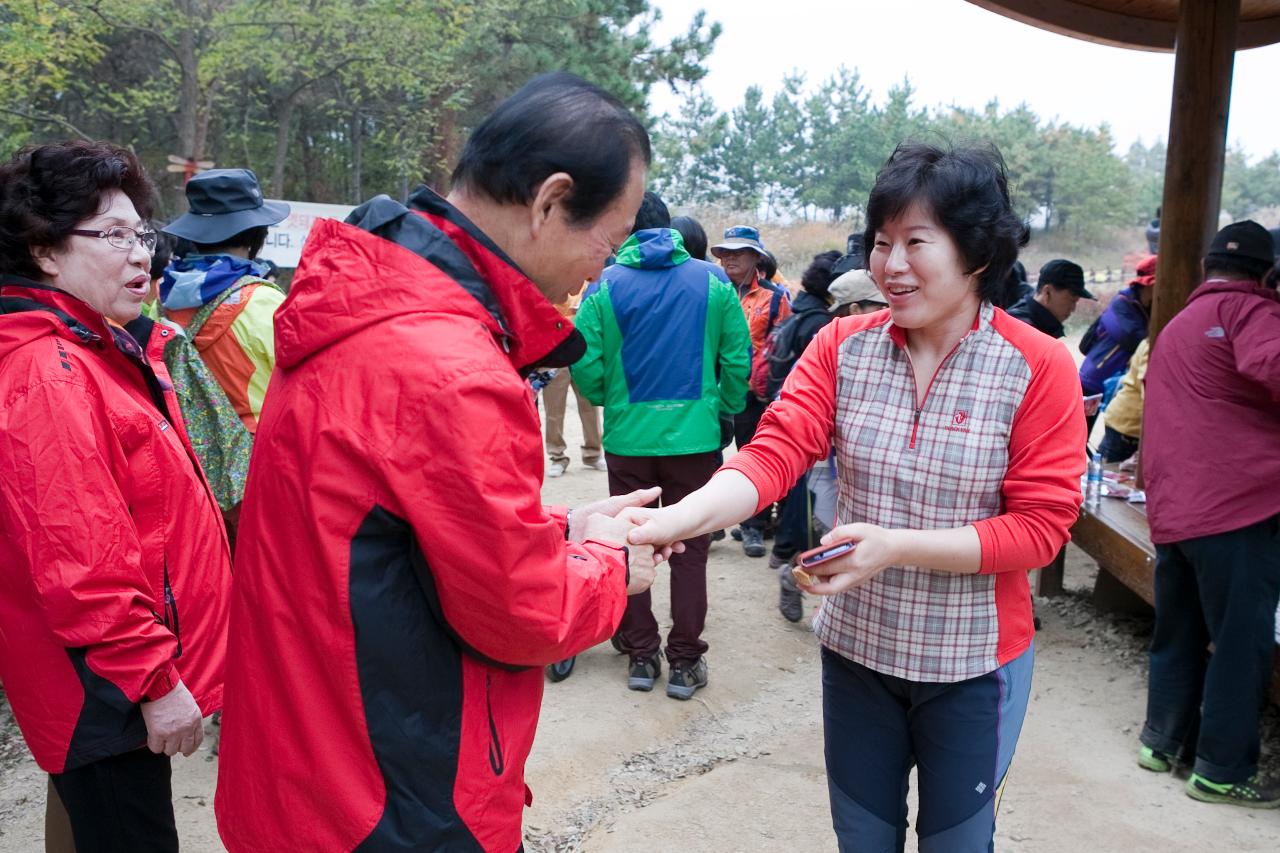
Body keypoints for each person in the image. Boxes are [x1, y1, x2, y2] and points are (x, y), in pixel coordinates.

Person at [214, 73, 672, 853]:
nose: (605, 266)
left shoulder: (361, 306)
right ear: (550, 201)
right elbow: (521, 613)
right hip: (390, 797)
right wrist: (606, 561)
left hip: (301, 761)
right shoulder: (450, 363)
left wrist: (561, 525)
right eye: (610, 237)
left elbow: (387, 533)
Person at [627, 143, 1085, 851]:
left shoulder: (1037, 364)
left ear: (977, 253)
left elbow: (1040, 529)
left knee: (957, 842)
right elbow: (774, 452)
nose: (890, 265)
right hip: (859, 653)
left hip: (971, 664)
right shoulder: (843, 345)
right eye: (880, 242)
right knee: (863, 839)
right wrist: (671, 520)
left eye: (916, 243)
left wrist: (898, 546)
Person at [0, 141, 231, 853]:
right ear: (44, 251)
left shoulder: (91, 348)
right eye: (115, 236)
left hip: (107, 685)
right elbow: (80, 561)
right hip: (103, 692)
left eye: (144, 236)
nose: (143, 256)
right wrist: (155, 681)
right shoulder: (51, 370)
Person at [573, 191, 750, 698]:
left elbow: (584, 360)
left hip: (629, 439)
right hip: (696, 440)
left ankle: (641, 653)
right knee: (691, 550)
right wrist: (725, 408)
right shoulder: (713, 280)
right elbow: (737, 356)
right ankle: (686, 660)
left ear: (626, 227)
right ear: (669, 227)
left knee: (630, 542)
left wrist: (613, 400)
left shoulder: (603, 285)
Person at [1139, 220, 1280, 807]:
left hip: (1175, 508)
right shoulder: (1257, 312)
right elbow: (1270, 368)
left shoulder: (1176, 324)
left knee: (1178, 631)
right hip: (1238, 506)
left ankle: (1162, 741)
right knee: (1240, 642)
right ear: (1266, 274)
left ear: (1206, 268)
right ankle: (1222, 770)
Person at [159, 168, 289, 434]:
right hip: (257, 448)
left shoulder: (169, 295)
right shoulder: (264, 300)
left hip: (192, 448)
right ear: (257, 235)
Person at [761, 250, 842, 623]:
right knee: (820, 524)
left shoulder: (798, 310)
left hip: (794, 426)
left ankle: (790, 562)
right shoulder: (822, 327)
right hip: (815, 442)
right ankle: (795, 573)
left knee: (813, 516)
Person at [711, 224, 791, 557]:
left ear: (755, 258)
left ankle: (753, 527)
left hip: (752, 394)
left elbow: (783, 348)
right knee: (709, 458)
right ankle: (710, 523)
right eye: (725, 253)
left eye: (738, 253)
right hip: (712, 390)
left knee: (752, 457)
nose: (729, 259)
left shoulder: (775, 298)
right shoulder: (711, 291)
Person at [542, 283, 605, 478]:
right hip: (555, 350)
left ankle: (593, 452)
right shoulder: (553, 279)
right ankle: (557, 456)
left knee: (589, 406)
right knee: (554, 409)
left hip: (583, 350)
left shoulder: (590, 283)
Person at [1006, 259, 1094, 338]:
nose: (1073, 308)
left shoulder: (1040, 324)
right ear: (1047, 292)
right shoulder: (1021, 327)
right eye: (1071, 300)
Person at [1097, 337, 1149, 463]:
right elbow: (1148, 390)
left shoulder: (1149, 342)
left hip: (1128, 422)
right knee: (1109, 473)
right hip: (1127, 425)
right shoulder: (1151, 345)